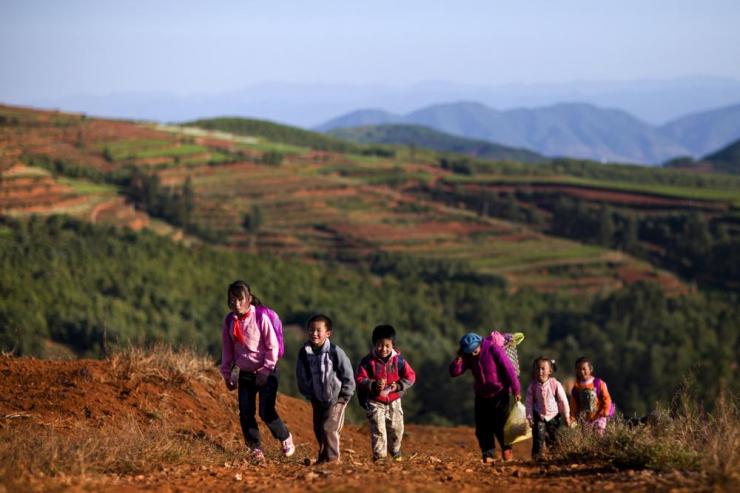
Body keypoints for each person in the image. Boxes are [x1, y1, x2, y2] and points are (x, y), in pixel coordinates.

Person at [220, 280, 295, 461]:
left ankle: (285, 436)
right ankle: (255, 449)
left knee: (266, 411)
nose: (236, 305)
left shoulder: (261, 318)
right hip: (245, 373)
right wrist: (227, 374)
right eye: (232, 300)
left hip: (267, 372)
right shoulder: (230, 321)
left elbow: (273, 347)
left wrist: (265, 371)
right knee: (246, 412)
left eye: (240, 299)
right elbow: (227, 350)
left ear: (249, 299)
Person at [450, 332, 521, 463]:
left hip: (500, 393)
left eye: (474, 350)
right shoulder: (468, 356)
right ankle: (488, 454)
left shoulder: (493, 349)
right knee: (483, 427)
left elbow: (509, 369)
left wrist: (516, 390)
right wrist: (458, 359)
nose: (472, 353)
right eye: (469, 351)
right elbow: (455, 372)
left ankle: (507, 449)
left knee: (502, 424)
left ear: (480, 344)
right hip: (481, 396)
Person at [296, 314, 356, 464]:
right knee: (318, 429)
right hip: (317, 398)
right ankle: (323, 457)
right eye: (311, 330)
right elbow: (301, 374)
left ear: (328, 333)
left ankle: (333, 459)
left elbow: (347, 373)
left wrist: (345, 394)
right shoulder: (305, 352)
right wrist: (308, 392)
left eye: (318, 330)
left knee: (329, 427)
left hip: (336, 399)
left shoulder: (335, 352)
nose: (314, 334)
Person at [356, 324, 417, 462]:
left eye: (387, 346)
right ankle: (380, 457)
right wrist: (372, 384)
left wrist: (399, 386)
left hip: (394, 399)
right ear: (374, 344)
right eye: (379, 345)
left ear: (393, 345)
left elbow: (411, 376)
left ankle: (394, 449)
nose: (383, 349)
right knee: (378, 429)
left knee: (397, 428)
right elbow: (359, 379)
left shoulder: (399, 361)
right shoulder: (367, 362)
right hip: (374, 400)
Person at [524, 357, 571, 460]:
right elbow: (528, 403)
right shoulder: (532, 386)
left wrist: (567, 416)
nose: (540, 372)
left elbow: (564, 401)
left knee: (554, 437)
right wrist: (530, 417)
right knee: (538, 436)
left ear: (549, 371)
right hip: (538, 415)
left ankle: (555, 457)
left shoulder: (555, 384)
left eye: (542, 369)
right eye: (537, 369)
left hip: (554, 416)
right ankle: (537, 458)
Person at [570, 356, 613, 434]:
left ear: (590, 369)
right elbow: (574, 406)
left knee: (598, 435)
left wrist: (606, 411)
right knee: (587, 438)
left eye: (584, 369)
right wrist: (573, 419)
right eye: (579, 369)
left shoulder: (599, 383)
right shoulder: (576, 388)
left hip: (600, 417)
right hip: (585, 420)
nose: (581, 372)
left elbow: (607, 398)